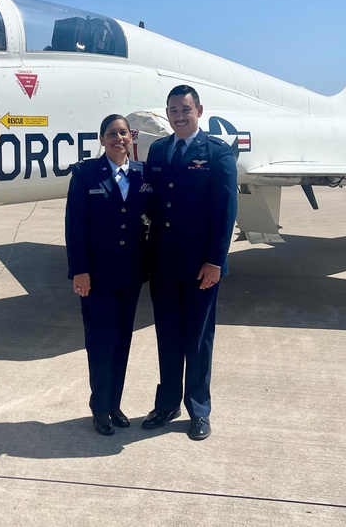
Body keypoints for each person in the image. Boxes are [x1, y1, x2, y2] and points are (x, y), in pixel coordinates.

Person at [141, 85, 237, 441]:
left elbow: (225, 212)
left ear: (199, 110)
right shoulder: (159, 150)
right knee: (167, 336)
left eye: (185, 109)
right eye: (173, 110)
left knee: (198, 340)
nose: (179, 117)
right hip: (164, 262)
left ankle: (198, 409)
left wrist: (216, 260)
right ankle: (167, 404)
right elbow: (148, 200)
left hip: (201, 266)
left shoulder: (216, 152)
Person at [65, 114, 152, 436]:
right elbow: (75, 226)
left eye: (124, 133)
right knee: (101, 341)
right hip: (97, 277)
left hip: (130, 274)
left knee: (122, 340)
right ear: (102, 139)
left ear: (132, 138)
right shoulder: (86, 173)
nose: (119, 138)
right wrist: (80, 271)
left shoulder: (143, 174)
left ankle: (114, 403)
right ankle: (100, 407)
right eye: (112, 133)